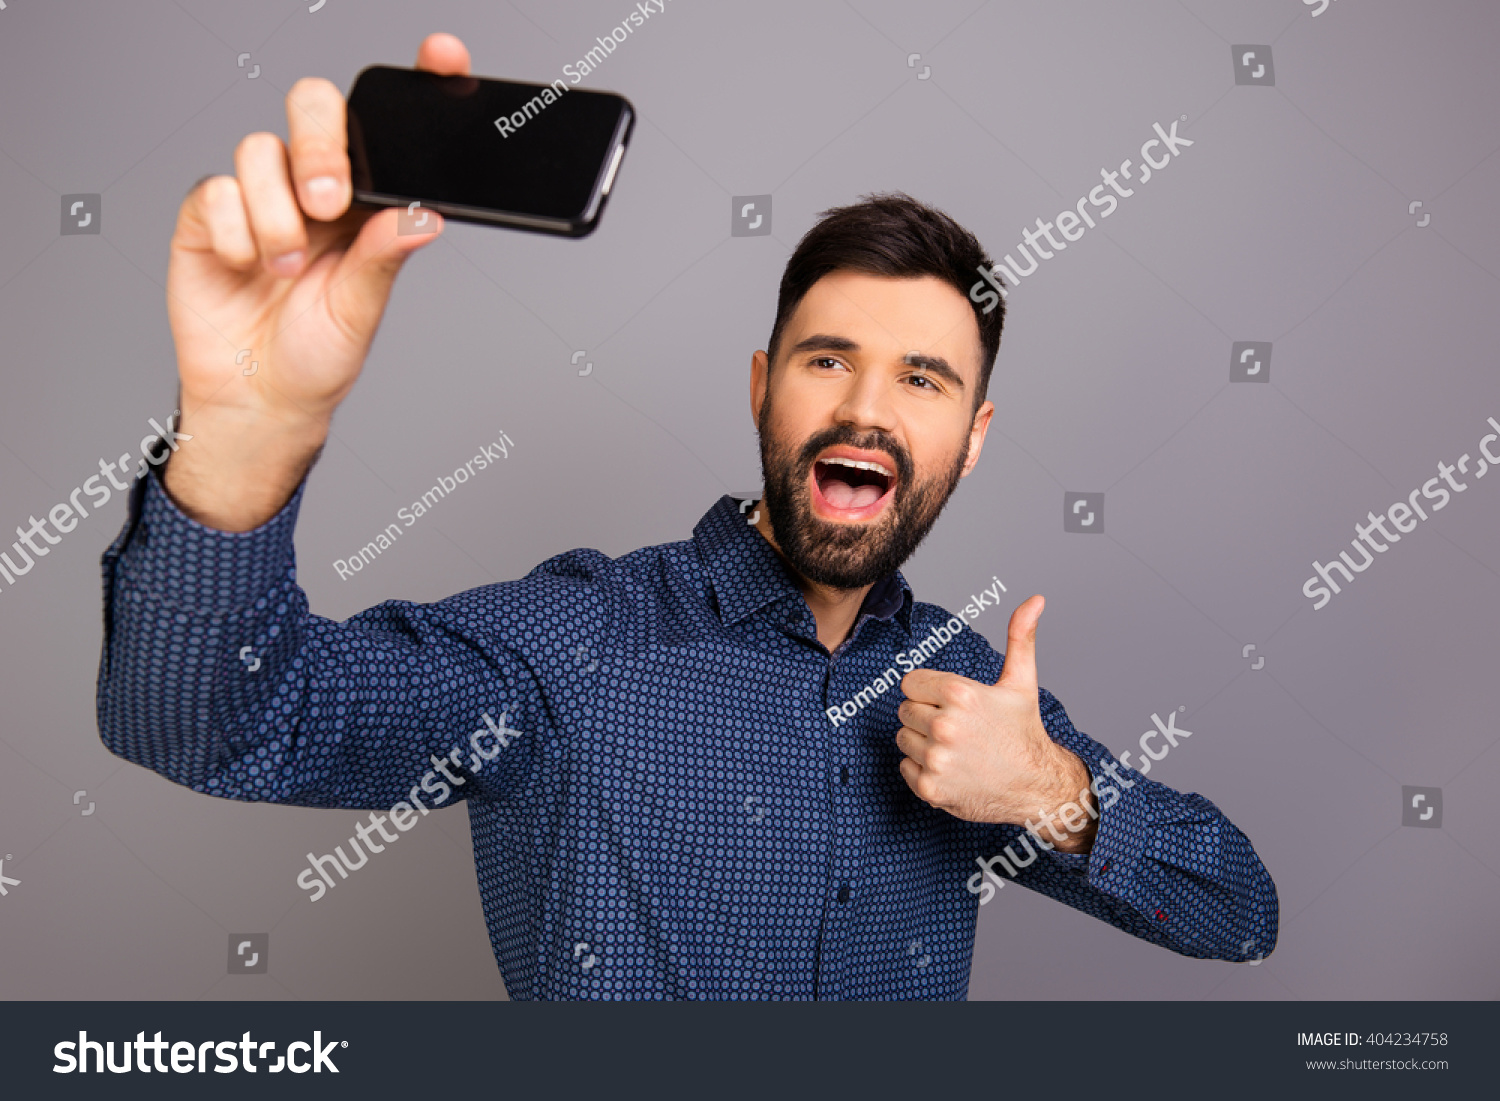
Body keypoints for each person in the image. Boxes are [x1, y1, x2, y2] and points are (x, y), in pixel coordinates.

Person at [96, 32, 1277, 1000]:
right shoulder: (575, 644)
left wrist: (1049, 796)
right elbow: (209, 724)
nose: (865, 411)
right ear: (763, 387)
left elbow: (1239, 914)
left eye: (923, 379)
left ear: (970, 439)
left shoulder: (974, 702)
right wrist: (247, 432)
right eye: (829, 361)